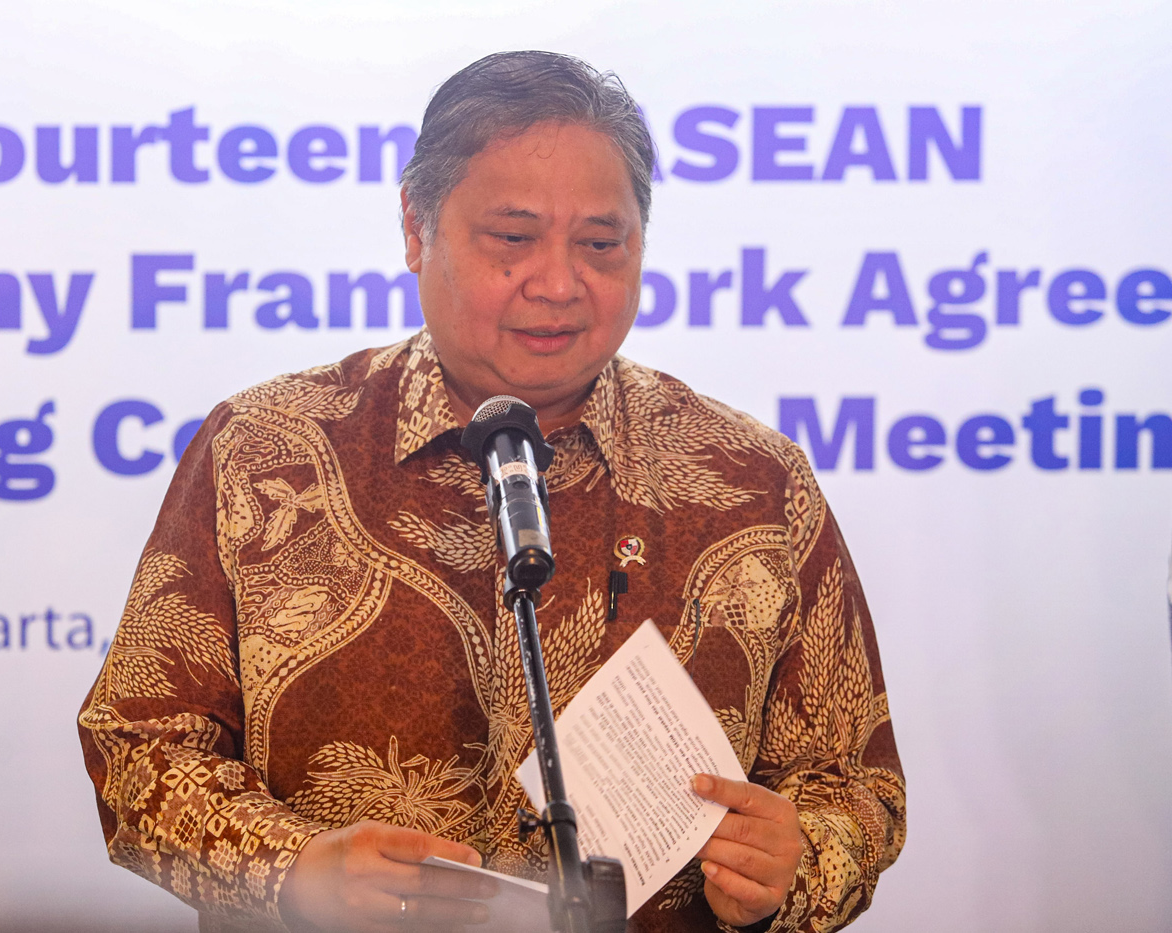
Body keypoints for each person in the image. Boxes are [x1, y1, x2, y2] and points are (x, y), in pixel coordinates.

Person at [78, 51, 904, 933]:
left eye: (600, 244)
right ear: (415, 227)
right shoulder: (264, 450)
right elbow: (138, 747)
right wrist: (291, 868)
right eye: (513, 239)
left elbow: (858, 789)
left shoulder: (753, 481)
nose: (558, 283)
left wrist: (796, 863)